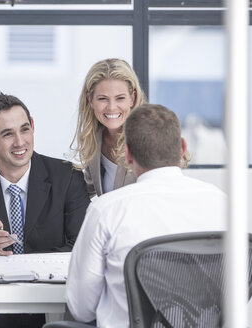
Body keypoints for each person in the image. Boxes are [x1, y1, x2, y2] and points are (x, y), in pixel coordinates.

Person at [66, 104, 226, 328]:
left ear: (128, 154)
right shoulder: (221, 203)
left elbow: (81, 309)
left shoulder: (107, 211)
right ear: (182, 147)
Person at [0, 92, 90, 328]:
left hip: (50, 299)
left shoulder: (67, 176)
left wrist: (23, 269)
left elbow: (80, 246)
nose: (20, 142)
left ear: (33, 126)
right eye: (7, 134)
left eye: (24, 129)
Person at [70, 58, 147, 198]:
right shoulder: (95, 138)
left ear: (132, 98)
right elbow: (89, 189)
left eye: (120, 98)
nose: (111, 107)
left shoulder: (148, 140)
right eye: (103, 99)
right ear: (90, 100)